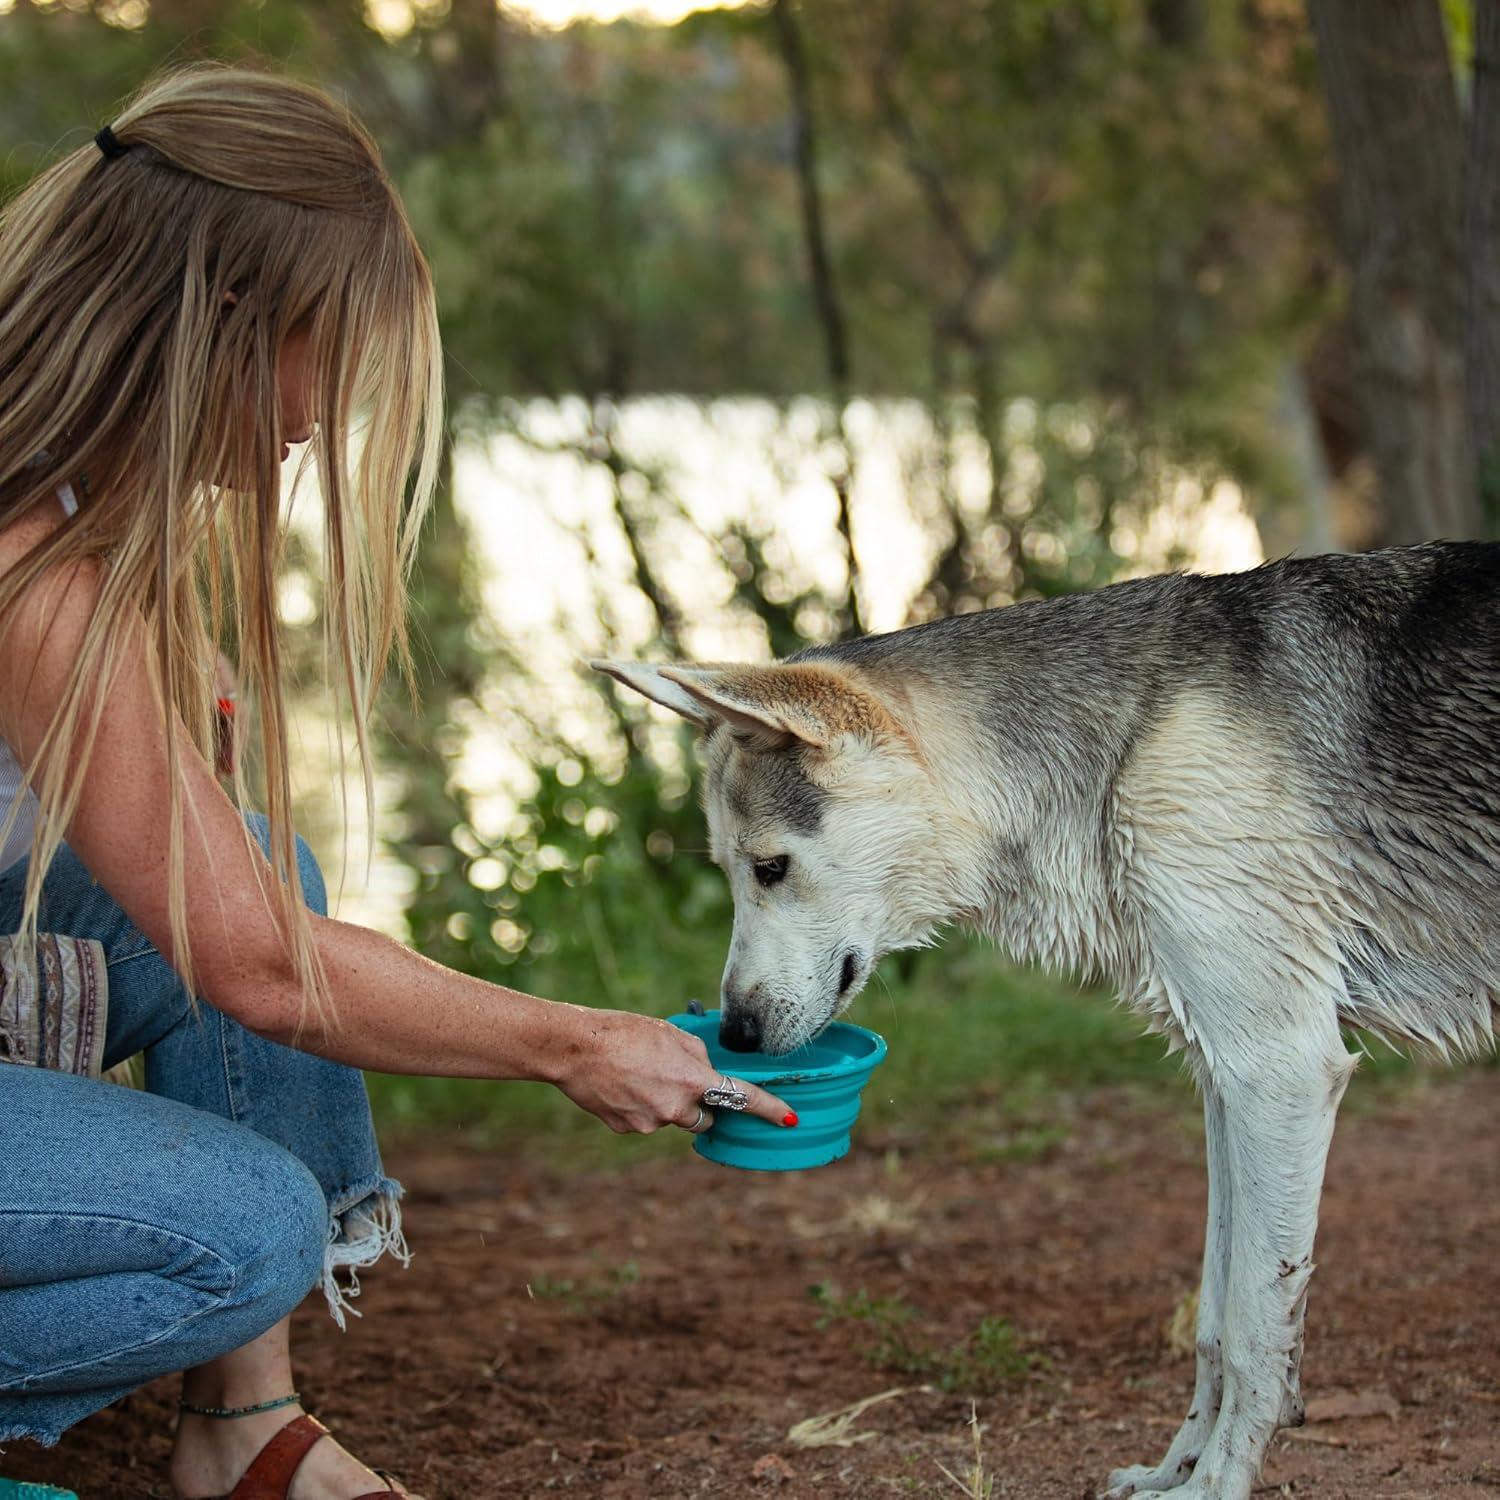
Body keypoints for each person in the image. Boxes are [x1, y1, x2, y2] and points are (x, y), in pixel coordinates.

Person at [0, 64, 793, 1500]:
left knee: (262, 861)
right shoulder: (29, 558)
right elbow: (257, 967)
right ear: (224, 317)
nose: (326, 414)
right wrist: (571, 1044)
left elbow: (234, 913)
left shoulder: (63, 494)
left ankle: (241, 1428)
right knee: (244, 1232)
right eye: (327, 351)